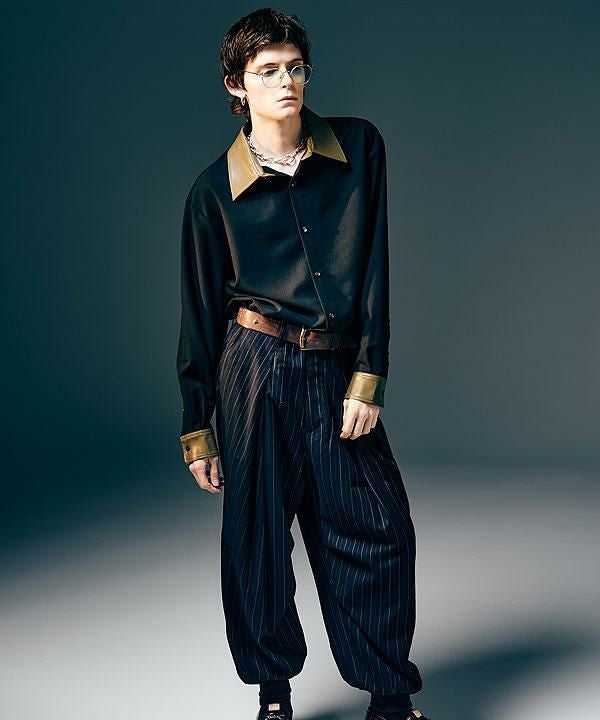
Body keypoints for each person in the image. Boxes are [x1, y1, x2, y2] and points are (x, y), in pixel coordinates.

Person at [176, 8, 431, 720]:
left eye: (295, 68)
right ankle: (274, 695)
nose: (286, 82)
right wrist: (198, 425)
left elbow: (374, 267)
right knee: (256, 537)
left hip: (335, 367)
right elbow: (199, 313)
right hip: (252, 367)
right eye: (267, 71)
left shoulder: (359, 148)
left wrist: (369, 375)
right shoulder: (212, 193)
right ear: (236, 85)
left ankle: (389, 697)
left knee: (377, 528)